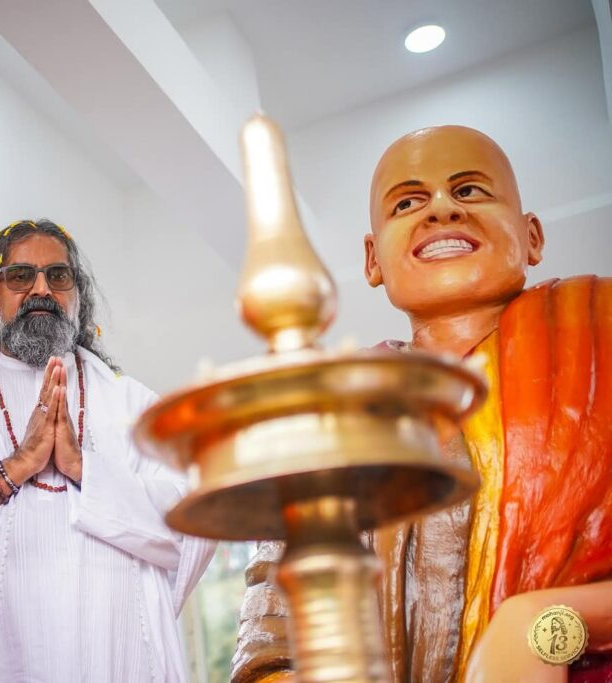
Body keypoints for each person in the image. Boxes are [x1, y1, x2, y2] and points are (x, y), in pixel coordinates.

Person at [232, 125, 611, 682]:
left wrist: (545, 624)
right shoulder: (334, 411)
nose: (441, 212)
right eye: (408, 202)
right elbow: (271, 639)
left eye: (470, 191)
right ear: (372, 259)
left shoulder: (599, 334)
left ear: (531, 237)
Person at [0, 219, 215, 682]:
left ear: (78, 297)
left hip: (118, 660)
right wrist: (12, 469)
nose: (41, 288)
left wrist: (84, 468)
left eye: (58, 276)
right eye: (20, 276)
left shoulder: (136, 408)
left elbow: (195, 528)